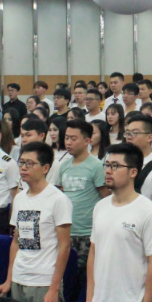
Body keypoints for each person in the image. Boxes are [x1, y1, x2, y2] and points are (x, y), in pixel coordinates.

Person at [82, 143, 152, 302]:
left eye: (115, 166)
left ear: (133, 172)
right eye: (107, 165)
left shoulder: (149, 212)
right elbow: (93, 254)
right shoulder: (100, 207)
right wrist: (89, 298)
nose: (108, 171)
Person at [3, 142, 72, 302]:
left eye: (30, 163)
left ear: (45, 168)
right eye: (21, 162)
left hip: (43, 282)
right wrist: (9, 279)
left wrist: (54, 289)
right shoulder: (19, 198)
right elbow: (16, 242)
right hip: (19, 279)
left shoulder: (58, 199)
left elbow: (64, 246)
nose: (23, 168)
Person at [55, 120, 108, 280]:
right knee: (65, 277)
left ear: (87, 141)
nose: (68, 142)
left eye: (73, 138)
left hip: (87, 233)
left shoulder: (96, 166)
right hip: (66, 232)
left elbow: (106, 198)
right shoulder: (63, 166)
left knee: (83, 277)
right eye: (66, 138)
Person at [124, 114, 152, 213]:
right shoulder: (122, 164)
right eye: (127, 133)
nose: (129, 137)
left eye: (135, 133)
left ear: (149, 137)